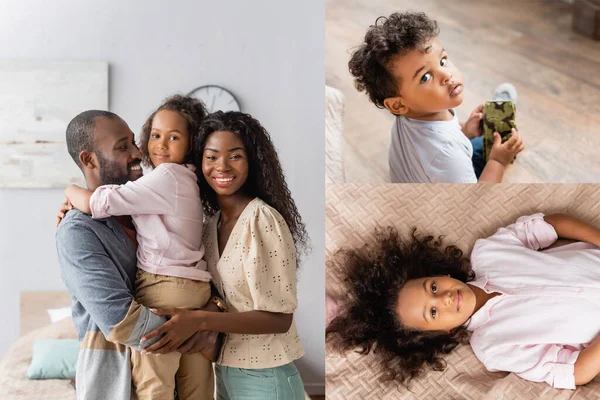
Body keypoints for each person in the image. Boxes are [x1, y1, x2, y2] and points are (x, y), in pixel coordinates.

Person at [140, 111, 309, 400]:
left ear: (252, 161)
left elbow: (279, 318)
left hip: (266, 378)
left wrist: (199, 320)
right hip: (223, 372)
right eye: (212, 156)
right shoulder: (210, 224)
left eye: (235, 156)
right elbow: (226, 297)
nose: (222, 166)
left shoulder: (262, 220)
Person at [326, 213, 600, 389]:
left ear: (438, 273)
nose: (444, 298)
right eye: (433, 312)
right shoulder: (493, 346)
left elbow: (551, 224)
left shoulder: (490, 252)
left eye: (433, 287)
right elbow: (575, 372)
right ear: (441, 333)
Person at [56, 109, 221, 400]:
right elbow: (120, 320)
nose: (138, 152)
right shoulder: (77, 231)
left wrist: (209, 315)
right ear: (89, 159)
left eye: (134, 142)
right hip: (117, 383)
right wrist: (197, 328)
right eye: (123, 146)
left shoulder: (146, 210)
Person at [348, 12, 524, 183]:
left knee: (482, 138)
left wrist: (466, 131)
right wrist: (498, 162)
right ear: (398, 105)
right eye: (425, 77)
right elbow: (475, 204)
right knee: (496, 145)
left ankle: (495, 116)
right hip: (450, 201)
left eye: (442, 61)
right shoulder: (448, 155)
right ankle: (501, 111)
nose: (446, 74)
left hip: (429, 178)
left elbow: (436, 146)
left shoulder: (410, 112)